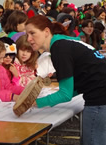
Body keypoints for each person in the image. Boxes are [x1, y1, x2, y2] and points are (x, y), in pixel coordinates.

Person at [25, 15, 106, 145]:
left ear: (46, 32)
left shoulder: (59, 48)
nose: (29, 39)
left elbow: (65, 94)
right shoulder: (62, 43)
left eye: (32, 33)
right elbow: (79, 84)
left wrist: (35, 102)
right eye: (26, 34)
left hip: (99, 98)